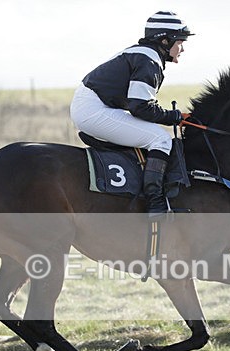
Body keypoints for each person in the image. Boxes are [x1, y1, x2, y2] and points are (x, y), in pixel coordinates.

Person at [70, 11, 193, 219]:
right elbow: (140, 108)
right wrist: (175, 117)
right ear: (165, 40)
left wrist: (173, 116)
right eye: (180, 41)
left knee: (151, 134)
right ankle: (155, 202)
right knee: (161, 138)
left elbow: (140, 106)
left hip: (93, 106)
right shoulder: (149, 59)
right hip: (94, 110)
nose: (182, 48)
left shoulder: (145, 54)